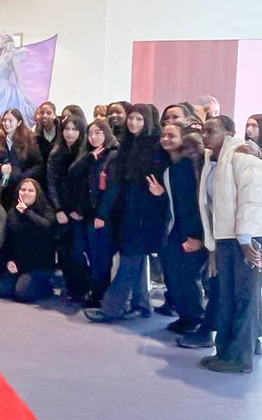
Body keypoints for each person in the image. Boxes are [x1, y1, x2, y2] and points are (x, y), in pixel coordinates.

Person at [196, 116, 262, 373]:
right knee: (230, 295)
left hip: (249, 236)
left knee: (244, 297)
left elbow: (252, 198)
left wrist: (245, 239)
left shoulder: (242, 156)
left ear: (229, 132)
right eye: (203, 131)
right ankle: (229, 351)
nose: (205, 135)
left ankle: (239, 359)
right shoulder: (213, 161)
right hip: (230, 238)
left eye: (212, 130)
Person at [85, 104, 165, 322]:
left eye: (139, 119)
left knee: (130, 261)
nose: (133, 123)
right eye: (132, 118)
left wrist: (159, 194)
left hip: (143, 214)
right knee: (134, 260)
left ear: (147, 121)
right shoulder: (128, 144)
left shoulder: (155, 146)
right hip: (128, 211)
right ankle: (142, 305)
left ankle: (112, 308)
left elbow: (159, 181)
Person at [149, 123, 207, 333]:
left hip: (189, 231)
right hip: (175, 229)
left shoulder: (185, 166)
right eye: (164, 135)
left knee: (186, 276)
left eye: (172, 135)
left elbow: (190, 202)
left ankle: (196, 319)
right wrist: (161, 193)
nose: (166, 139)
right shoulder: (173, 165)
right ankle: (186, 317)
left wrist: (194, 235)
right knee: (174, 275)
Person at [68, 119, 119, 306]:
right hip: (87, 214)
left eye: (98, 132)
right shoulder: (90, 155)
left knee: (101, 257)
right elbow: (73, 174)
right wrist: (88, 158)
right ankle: (94, 290)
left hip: (102, 217)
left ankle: (100, 295)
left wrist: (102, 215)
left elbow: (113, 189)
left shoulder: (113, 155)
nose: (94, 136)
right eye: (91, 133)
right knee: (90, 253)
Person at [0, 178, 56, 302]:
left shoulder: (45, 211)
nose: (26, 193)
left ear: (37, 194)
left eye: (30, 190)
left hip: (37, 264)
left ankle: (47, 286)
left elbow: (47, 228)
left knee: (22, 293)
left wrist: (27, 212)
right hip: (18, 262)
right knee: (1, 290)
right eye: (23, 190)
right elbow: (8, 241)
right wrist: (9, 261)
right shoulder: (12, 213)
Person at [46, 114, 87, 300]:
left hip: (80, 211)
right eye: (67, 129)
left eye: (74, 129)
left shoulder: (85, 153)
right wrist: (58, 210)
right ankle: (71, 290)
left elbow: (86, 185)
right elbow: (51, 184)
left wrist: (79, 210)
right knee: (64, 251)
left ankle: (83, 290)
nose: (70, 133)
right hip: (61, 210)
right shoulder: (56, 153)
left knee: (79, 251)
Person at [0, 108, 41, 207]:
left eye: (10, 120)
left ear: (19, 122)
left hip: (19, 190)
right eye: (4, 120)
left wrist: (21, 176)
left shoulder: (29, 140)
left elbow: (38, 164)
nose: (6, 123)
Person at [34, 101, 58, 166]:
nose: (45, 115)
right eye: (42, 113)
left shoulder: (61, 131)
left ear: (54, 115)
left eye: (48, 113)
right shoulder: (36, 133)